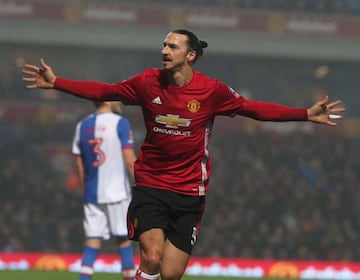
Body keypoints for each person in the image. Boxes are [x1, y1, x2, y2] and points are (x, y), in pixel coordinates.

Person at [22, 29, 345, 280]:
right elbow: (106, 91)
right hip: (150, 184)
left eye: (172, 46)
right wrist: (57, 83)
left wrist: (304, 113)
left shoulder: (211, 90)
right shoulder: (147, 82)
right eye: (164, 45)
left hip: (190, 190)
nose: (164, 50)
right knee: (150, 257)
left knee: (172, 273)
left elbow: (253, 109)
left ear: (190, 55)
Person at [72, 101, 137, 280]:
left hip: (92, 194)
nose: (121, 101)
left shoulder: (82, 125)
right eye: (117, 97)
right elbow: (129, 159)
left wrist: (86, 188)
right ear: (108, 101)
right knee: (123, 240)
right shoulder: (121, 123)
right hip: (118, 193)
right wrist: (143, 184)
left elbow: (79, 164)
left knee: (92, 242)